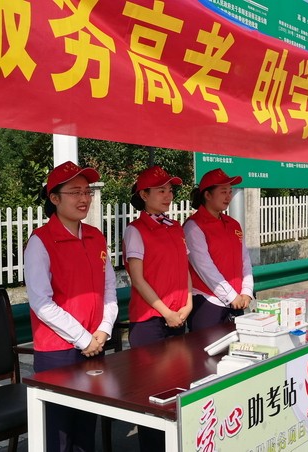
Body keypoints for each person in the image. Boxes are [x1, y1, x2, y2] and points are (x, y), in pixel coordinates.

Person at [24, 161, 118, 452]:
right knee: (59, 433)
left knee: (85, 427)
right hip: (58, 352)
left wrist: (103, 329)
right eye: (75, 192)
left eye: (87, 192)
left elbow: (108, 287)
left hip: (94, 344)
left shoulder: (95, 236)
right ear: (54, 198)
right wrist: (83, 338)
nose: (84, 199)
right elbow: (41, 301)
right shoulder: (41, 242)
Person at [123, 165, 193, 451]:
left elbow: (185, 268)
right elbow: (138, 279)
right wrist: (167, 312)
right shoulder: (136, 230)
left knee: (177, 387)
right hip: (150, 321)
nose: (168, 195)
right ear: (144, 194)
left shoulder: (175, 227)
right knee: (152, 395)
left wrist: (188, 302)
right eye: (161, 190)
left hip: (178, 316)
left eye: (170, 190)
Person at [184, 168, 254, 331]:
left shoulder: (233, 224)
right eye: (223, 192)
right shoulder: (193, 226)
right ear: (207, 195)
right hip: (208, 302)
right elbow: (204, 267)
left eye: (230, 191)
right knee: (207, 348)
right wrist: (231, 296)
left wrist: (247, 290)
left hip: (237, 301)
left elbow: (245, 259)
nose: (228, 196)